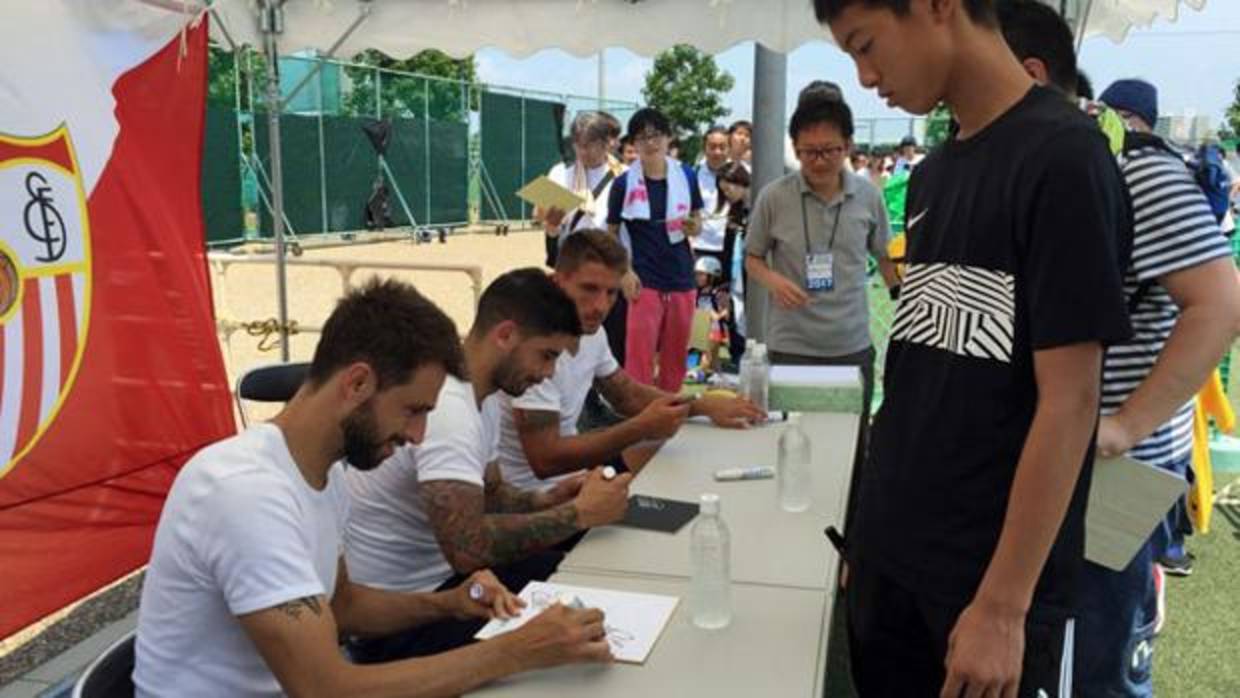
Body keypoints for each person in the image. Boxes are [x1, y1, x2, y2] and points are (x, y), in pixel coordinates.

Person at [816, 2, 1135, 697]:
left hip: (981, 586)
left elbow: (1071, 399)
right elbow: (918, 378)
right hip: (892, 560)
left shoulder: (1064, 157)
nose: (866, 78)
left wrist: (1003, 604)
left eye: (867, 46)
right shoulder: (933, 176)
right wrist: (871, 535)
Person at [134, 278, 613, 697]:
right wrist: (516, 651)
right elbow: (324, 689)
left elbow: (342, 606)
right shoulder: (245, 493)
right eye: (413, 411)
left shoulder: (325, 474)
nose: (419, 435)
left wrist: (448, 602)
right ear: (357, 383)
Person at [1000, 4, 1240, 694]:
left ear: (1032, 76)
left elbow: (1221, 304)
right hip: (1050, 458)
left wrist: (1126, 424)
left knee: (1098, 659)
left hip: (1115, 470)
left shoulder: (1132, 169)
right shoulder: (1032, 168)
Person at [343, 269, 633, 663]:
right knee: (576, 640)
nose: (548, 373)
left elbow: (493, 495)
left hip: (447, 589)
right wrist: (577, 514)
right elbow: (468, 547)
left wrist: (549, 497)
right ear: (506, 335)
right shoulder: (449, 409)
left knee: (593, 584)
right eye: (546, 355)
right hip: (401, 622)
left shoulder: (483, 397)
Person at [496, 231, 765, 496]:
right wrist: (641, 428)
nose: (601, 306)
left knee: (691, 464)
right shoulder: (533, 347)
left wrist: (702, 406)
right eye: (589, 289)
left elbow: (627, 395)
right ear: (557, 281)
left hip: (574, 480)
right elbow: (546, 460)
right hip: (535, 500)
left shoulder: (592, 333)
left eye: (612, 292)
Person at [745, 88, 899, 470]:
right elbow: (752, 257)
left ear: (848, 145)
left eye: (830, 150)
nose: (820, 161)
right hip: (791, 345)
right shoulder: (773, 197)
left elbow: (883, 256)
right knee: (789, 446)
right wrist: (774, 281)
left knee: (849, 452)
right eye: (809, 151)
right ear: (795, 149)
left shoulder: (868, 196)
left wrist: (903, 297)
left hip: (850, 345)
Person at [607, 107, 705, 392]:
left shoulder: (686, 175)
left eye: (656, 135)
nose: (650, 143)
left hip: (681, 276)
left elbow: (698, 220)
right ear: (633, 145)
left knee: (676, 354)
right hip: (643, 278)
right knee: (639, 353)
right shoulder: (623, 183)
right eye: (642, 138)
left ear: (668, 138)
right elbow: (611, 233)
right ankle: (639, 413)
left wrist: (693, 226)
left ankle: (669, 409)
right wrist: (624, 272)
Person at [538, 112, 624, 268]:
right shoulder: (560, 172)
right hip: (572, 262)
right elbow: (549, 227)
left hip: (609, 262)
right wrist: (551, 223)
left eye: (589, 145)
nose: (583, 151)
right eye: (578, 144)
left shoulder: (623, 175)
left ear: (606, 143)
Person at [716, 161, 754, 368]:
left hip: (754, 276)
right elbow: (727, 248)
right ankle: (739, 357)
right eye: (723, 191)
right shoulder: (734, 212)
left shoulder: (758, 207)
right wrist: (723, 283)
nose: (727, 194)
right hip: (735, 275)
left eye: (729, 188)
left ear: (741, 182)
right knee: (736, 317)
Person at [694, 126, 734, 275]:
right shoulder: (694, 175)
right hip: (699, 246)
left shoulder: (740, 175)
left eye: (722, 147)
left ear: (729, 149)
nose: (717, 152)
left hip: (729, 248)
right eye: (712, 147)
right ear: (705, 149)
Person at [692, 255, 730, 377]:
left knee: (708, 354)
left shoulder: (718, 294)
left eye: (701, 274)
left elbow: (726, 312)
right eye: (697, 274)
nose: (698, 277)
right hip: (702, 328)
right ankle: (720, 377)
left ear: (711, 276)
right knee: (713, 359)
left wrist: (717, 315)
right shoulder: (697, 292)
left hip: (715, 329)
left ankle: (699, 373)